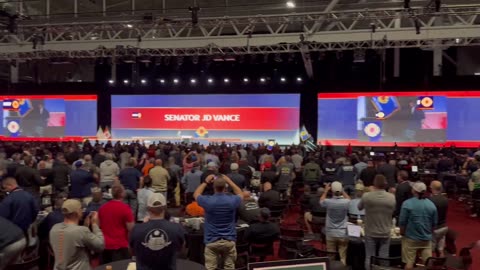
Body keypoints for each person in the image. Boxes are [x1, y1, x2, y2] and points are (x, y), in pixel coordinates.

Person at [194, 174, 243, 270]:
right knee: (229, 267)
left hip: (212, 240)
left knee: (210, 268)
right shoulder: (232, 200)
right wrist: (229, 180)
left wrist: (205, 182)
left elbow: (196, 194)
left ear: (213, 187)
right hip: (229, 239)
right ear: (225, 187)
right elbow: (240, 193)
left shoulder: (208, 201)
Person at [129, 193, 186, 270]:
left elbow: (132, 251)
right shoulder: (177, 228)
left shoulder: (136, 229)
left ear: (148, 208)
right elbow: (181, 250)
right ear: (165, 208)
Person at [50, 199, 104, 270]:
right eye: (81, 209)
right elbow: (100, 246)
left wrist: (85, 228)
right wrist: (95, 225)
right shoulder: (80, 231)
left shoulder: (54, 228)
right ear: (77, 212)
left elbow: (72, 241)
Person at [358, 175, 396, 270]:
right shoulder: (391, 197)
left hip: (370, 231)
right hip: (385, 231)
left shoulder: (366, 196)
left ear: (374, 184)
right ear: (385, 184)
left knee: (369, 257)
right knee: (384, 257)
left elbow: (359, 207)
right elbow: (393, 209)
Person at [399, 182, 437, 270]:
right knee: (428, 264)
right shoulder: (432, 205)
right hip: (426, 239)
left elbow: (402, 222)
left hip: (411, 238)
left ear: (414, 191)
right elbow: (434, 224)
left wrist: (402, 233)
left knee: (409, 263)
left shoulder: (407, 203)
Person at [98, 184, 135, 264]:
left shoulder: (102, 208)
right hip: (120, 246)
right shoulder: (125, 208)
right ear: (122, 193)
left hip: (105, 246)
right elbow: (131, 229)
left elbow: (99, 226)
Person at [320, 181, 351, 265]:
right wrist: (343, 191)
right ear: (341, 190)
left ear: (332, 191)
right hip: (342, 232)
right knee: (343, 257)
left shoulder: (328, 202)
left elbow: (321, 201)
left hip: (330, 232)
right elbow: (349, 200)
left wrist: (326, 191)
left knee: (331, 256)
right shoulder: (345, 202)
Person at [428, 180, 449, 257]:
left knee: (429, 250)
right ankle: (441, 264)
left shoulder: (430, 200)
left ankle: (428, 265)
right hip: (443, 227)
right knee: (440, 249)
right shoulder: (445, 199)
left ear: (431, 188)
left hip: (434, 229)